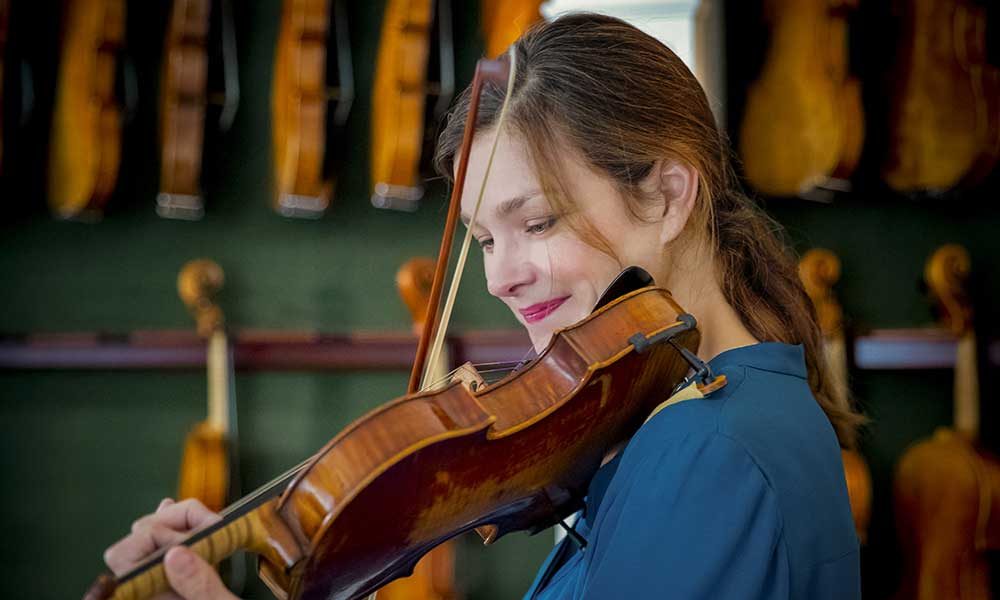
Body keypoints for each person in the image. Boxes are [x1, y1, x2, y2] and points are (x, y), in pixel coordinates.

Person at [102, 13, 862, 599]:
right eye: (482, 239)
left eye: (536, 223)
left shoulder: (706, 450)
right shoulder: (699, 412)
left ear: (667, 194)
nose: (499, 278)